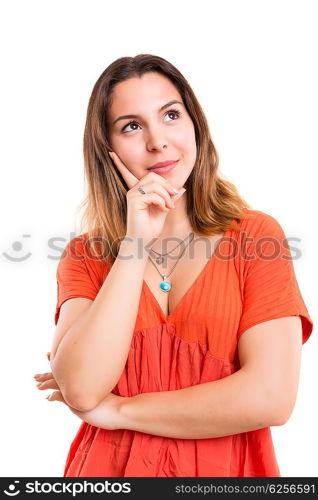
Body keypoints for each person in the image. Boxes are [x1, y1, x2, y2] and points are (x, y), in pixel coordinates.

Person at [34, 54, 313, 477]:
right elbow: (82, 388)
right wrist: (134, 244)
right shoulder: (86, 256)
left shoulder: (257, 237)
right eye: (131, 125)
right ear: (107, 150)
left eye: (170, 115)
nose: (158, 141)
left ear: (195, 124)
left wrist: (120, 410)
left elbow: (271, 397)